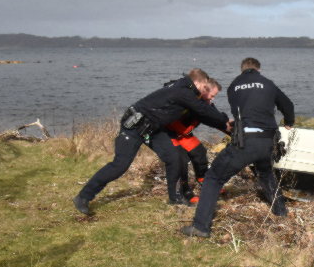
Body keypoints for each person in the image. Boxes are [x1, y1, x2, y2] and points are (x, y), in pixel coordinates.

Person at [73, 68, 229, 215]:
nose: (204, 91)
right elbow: (203, 111)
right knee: (120, 165)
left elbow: (205, 111)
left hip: (154, 130)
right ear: (197, 83)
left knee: (174, 157)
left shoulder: (186, 91)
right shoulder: (182, 92)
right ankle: (84, 196)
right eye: (204, 87)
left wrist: (228, 125)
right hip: (133, 128)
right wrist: (225, 121)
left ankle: (175, 199)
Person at [182, 57, 295, 239]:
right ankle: (280, 211)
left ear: (242, 70)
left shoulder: (233, 86)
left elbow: (241, 111)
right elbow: (288, 105)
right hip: (268, 140)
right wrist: (289, 122)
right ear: (258, 70)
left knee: (213, 177)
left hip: (246, 141)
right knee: (265, 172)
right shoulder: (268, 83)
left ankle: (201, 226)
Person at [167, 78, 222, 202]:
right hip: (169, 134)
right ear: (204, 90)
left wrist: (231, 131)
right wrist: (183, 131)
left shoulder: (205, 104)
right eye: (212, 96)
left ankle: (204, 180)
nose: (213, 99)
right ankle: (184, 192)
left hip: (183, 134)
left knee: (200, 152)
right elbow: (169, 119)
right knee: (181, 160)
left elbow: (218, 120)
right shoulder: (187, 100)